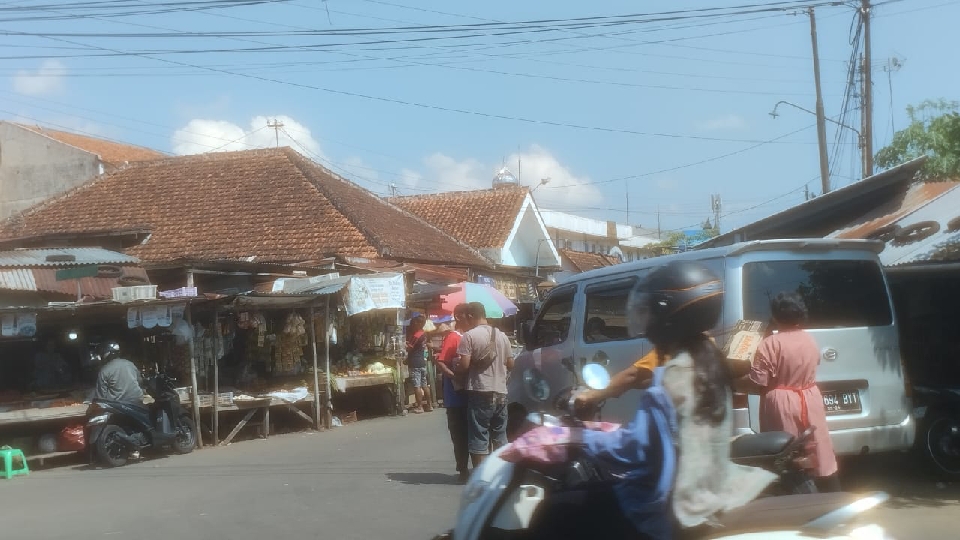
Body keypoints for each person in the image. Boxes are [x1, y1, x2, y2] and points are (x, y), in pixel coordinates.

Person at [563, 261, 776, 538]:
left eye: (648, 313)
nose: (646, 322)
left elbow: (630, 450)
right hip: (709, 488)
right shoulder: (708, 363)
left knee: (558, 511)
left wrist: (574, 438)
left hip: (670, 506)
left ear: (668, 317)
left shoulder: (669, 381)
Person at [734, 292, 840, 492]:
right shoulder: (810, 339)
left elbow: (758, 380)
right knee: (819, 448)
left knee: (787, 452)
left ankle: (794, 496)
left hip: (782, 402)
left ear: (774, 316)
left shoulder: (769, 344)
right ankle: (831, 493)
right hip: (810, 397)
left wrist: (734, 381)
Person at [456, 301, 514, 466]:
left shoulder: (469, 336)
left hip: (480, 391)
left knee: (479, 436)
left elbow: (464, 365)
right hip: (501, 392)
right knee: (500, 436)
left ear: (470, 316)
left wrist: (455, 367)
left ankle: (481, 476)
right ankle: (502, 473)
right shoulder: (502, 335)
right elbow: (511, 364)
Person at [433, 304, 470, 482]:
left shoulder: (473, 336)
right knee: (459, 433)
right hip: (455, 397)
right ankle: (463, 470)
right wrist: (455, 377)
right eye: (464, 316)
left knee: (475, 434)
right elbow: (441, 362)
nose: (468, 319)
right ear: (458, 318)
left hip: (474, 395)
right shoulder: (453, 338)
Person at [406, 312, 432, 413]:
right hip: (422, 362)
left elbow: (409, 349)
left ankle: (420, 406)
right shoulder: (424, 334)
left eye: (413, 323)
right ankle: (429, 405)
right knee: (424, 385)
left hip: (415, 363)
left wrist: (406, 345)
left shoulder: (416, 335)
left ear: (417, 324)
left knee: (417, 385)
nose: (412, 325)